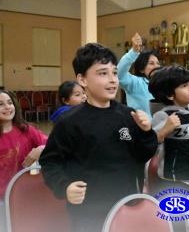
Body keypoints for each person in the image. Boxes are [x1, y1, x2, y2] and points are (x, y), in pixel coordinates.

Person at [39, 43, 158, 232]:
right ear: (82, 79)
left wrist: (146, 132)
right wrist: (65, 187)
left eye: (114, 72)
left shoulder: (128, 115)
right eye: (102, 73)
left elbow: (142, 155)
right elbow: (50, 162)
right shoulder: (70, 121)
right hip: (88, 212)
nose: (112, 80)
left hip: (126, 205)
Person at [0, 90, 47, 232]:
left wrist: (40, 148)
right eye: (0, 104)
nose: (8, 107)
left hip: (19, 193)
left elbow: (52, 143)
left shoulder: (26, 130)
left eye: (10, 103)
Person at [117, 32, 160, 120]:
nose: (156, 66)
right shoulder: (136, 83)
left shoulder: (163, 84)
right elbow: (119, 74)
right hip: (141, 129)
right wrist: (134, 52)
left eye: (158, 63)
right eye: (151, 63)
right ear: (141, 69)